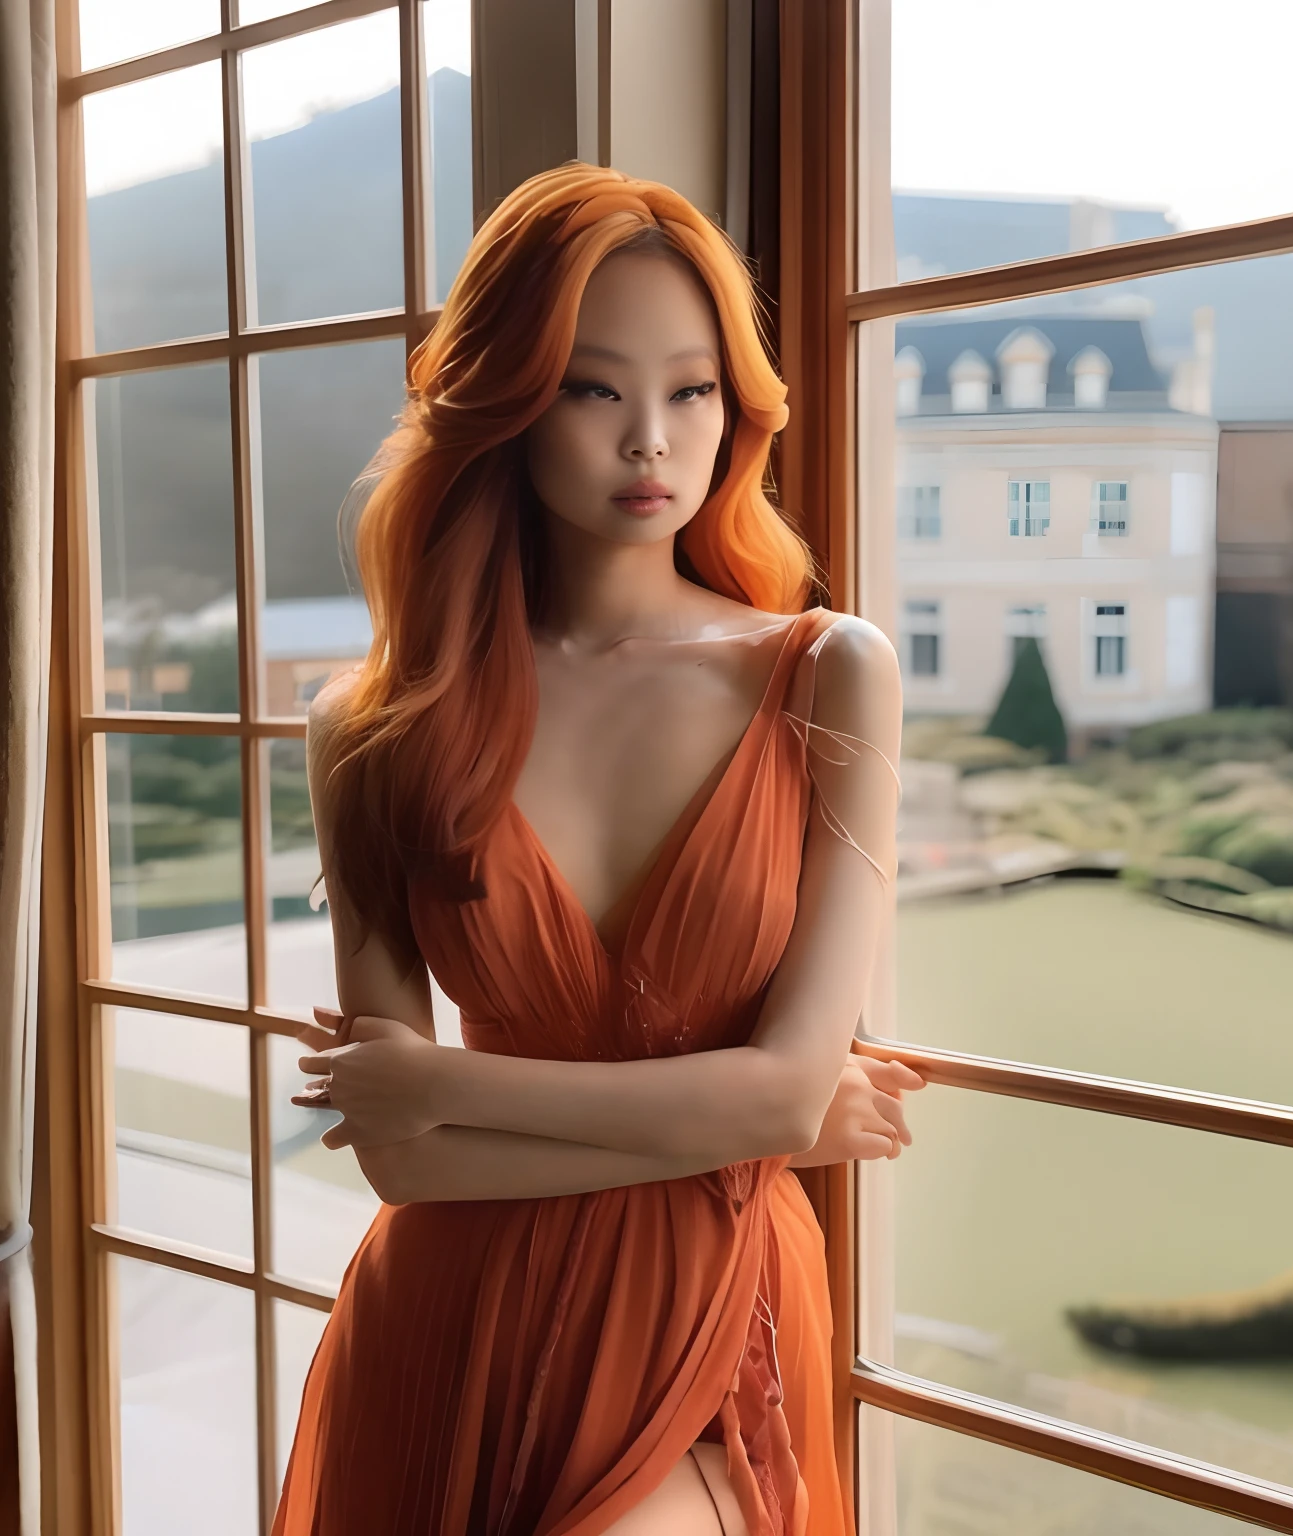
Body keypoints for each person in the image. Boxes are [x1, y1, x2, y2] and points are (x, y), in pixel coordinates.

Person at [271, 163, 920, 1536]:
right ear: (506, 399)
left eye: (692, 390)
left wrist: (453, 1080)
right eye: (594, 387)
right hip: (451, 1316)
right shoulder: (371, 726)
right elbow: (405, 1164)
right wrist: (746, 1122)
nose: (652, 442)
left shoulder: (826, 676)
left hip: (712, 1307)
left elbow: (783, 1095)